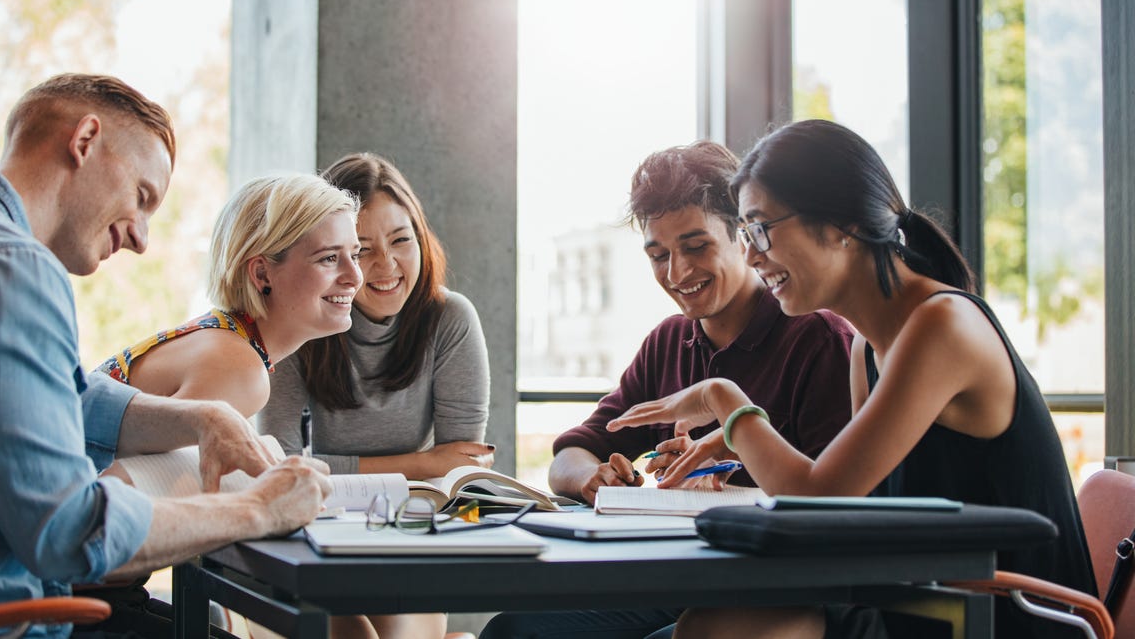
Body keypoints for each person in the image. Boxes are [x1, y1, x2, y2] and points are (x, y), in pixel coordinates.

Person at [607, 120, 1096, 639]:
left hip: (1003, 616)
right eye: (747, 234)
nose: (751, 255)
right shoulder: (869, 345)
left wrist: (722, 399)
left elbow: (815, 499)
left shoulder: (941, 326)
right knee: (709, 626)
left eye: (762, 229)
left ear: (842, 224)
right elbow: (847, 510)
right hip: (923, 602)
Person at [0, 74, 333, 639]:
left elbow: (54, 398)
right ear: (85, 141)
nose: (142, 238)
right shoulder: (11, 268)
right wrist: (261, 508)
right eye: (142, 197)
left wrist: (201, 417)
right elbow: (68, 531)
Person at [481, 140, 855, 639]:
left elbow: (833, 505)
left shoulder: (817, 339)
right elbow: (571, 453)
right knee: (514, 632)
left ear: (743, 236)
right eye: (659, 255)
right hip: (676, 584)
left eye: (696, 247)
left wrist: (727, 484)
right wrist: (594, 479)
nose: (677, 274)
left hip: (774, 594)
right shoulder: (669, 341)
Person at [259, 152, 492, 639]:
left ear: (421, 237)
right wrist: (422, 463)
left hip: (408, 532)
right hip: (312, 537)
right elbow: (280, 470)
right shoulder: (299, 321)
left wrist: (429, 468)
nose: (386, 265)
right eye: (361, 249)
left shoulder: (450, 319)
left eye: (401, 240)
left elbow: (459, 472)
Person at [96, 173, 363, 419]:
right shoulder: (240, 371)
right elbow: (126, 471)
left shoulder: (228, 339)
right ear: (261, 274)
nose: (355, 277)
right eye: (329, 258)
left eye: (355, 255)